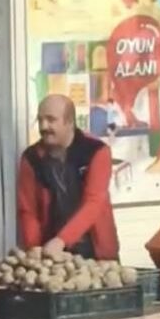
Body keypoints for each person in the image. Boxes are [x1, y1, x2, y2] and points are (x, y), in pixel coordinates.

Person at [18, 94, 119, 260]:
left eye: (51, 120)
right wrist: (33, 248)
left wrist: (62, 240)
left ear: (70, 121)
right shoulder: (31, 158)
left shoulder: (96, 151)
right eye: (40, 120)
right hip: (49, 253)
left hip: (96, 252)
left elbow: (94, 202)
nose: (43, 126)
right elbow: (28, 210)